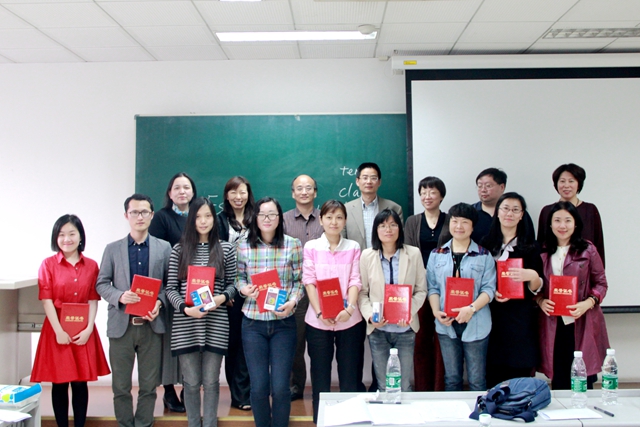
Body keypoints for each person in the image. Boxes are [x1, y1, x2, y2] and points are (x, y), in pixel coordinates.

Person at [96, 194, 172, 427]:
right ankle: (125, 424)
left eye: (144, 212)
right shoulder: (113, 249)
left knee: (149, 386)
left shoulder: (164, 248)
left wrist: (159, 303)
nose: (140, 217)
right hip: (122, 326)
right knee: (121, 386)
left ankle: (143, 423)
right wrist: (119, 296)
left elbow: (170, 286)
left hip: (151, 326)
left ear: (152, 215)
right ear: (126, 215)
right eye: (134, 212)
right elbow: (101, 283)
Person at [31, 214, 110, 427]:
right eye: (61, 234)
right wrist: (58, 331)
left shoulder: (91, 265)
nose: (67, 239)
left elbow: (93, 299)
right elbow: (46, 300)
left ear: (80, 236)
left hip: (83, 329)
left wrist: (88, 328)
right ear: (55, 238)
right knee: (59, 382)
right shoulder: (48, 265)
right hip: (56, 329)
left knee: (80, 382)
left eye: (72, 234)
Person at [165, 197, 237, 427]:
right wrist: (186, 310)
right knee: (191, 382)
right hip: (186, 324)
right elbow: (170, 289)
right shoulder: (179, 250)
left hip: (216, 322)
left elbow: (233, 285)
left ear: (214, 219)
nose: (203, 221)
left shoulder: (225, 249)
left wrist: (221, 299)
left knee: (212, 381)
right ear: (191, 220)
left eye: (208, 216)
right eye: (198, 217)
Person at [236, 197, 304, 427]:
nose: (267, 219)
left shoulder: (293, 244)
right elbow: (238, 278)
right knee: (258, 386)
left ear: (279, 218)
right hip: (253, 324)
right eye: (262, 214)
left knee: (281, 386)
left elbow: (299, 281)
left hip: (283, 324)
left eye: (272, 214)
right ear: (255, 218)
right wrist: (244, 289)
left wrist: (292, 302)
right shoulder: (243, 245)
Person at [303, 200, 365, 423]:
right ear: (320, 220)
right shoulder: (311, 247)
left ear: (345, 221)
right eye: (329, 217)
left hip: (349, 319)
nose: (334, 222)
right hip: (318, 321)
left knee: (350, 375)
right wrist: (320, 312)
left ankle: (350, 420)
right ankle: (321, 419)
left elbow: (355, 280)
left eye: (339, 217)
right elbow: (309, 281)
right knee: (320, 375)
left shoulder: (353, 247)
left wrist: (350, 308)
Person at [536, 201, 609, 390]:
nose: (562, 225)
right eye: (557, 220)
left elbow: (601, 283)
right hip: (553, 323)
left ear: (575, 223)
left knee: (583, 377)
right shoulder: (542, 251)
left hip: (582, 320)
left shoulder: (588, 249)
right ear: (550, 224)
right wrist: (540, 300)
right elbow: (535, 287)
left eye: (567, 220)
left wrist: (588, 303)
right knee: (559, 377)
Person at [427, 203, 496, 391]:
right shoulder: (437, 254)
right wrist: (436, 311)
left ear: (472, 227)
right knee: (451, 378)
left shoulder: (484, 255)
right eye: (455, 221)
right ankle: (454, 410)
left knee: (477, 380)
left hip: (476, 323)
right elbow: (432, 288)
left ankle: (479, 408)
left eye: (465, 222)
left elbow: (489, 289)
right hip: (446, 324)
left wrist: (471, 309)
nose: (459, 226)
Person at [358, 209, 427, 392]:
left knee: (403, 385)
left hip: (405, 329)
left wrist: (408, 311)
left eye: (392, 225)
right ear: (376, 230)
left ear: (399, 228)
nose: (388, 229)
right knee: (384, 384)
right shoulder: (367, 256)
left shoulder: (413, 254)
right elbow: (362, 293)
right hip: (378, 330)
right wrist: (371, 316)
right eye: (382, 225)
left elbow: (421, 290)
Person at [480, 193, 544, 388]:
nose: (510, 213)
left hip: (520, 317)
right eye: (505, 208)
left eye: (515, 210)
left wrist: (532, 276)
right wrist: (491, 291)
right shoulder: (485, 244)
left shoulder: (531, 246)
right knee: (493, 374)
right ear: (497, 212)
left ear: (522, 215)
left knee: (519, 375)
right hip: (491, 315)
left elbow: (537, 288)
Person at [149, 172, 197, 413]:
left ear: (193, 191)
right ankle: (168, 391)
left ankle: (189, 390)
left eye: (186, 187)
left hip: (197, 290)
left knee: (193, 343)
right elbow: (156, 255)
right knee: (170, 344)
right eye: (177, 187)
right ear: (169, 193)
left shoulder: (200, 217)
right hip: (170, 290)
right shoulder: (161, 217)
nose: (182, 191)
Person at [283, 174, 324, 402]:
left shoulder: (326, 218)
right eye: (299, 188)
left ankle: (321, 387)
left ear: (315, 192)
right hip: (295, 291)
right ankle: (295, 386)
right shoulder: (283, 220)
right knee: (295, 342)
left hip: (322, 289)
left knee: (320, 344)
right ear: (293, 193)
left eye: (309, 188)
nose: (304, 192)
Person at [404, 176, 447, 391]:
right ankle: (422, 388)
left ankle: (439, 389)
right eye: (423, 192)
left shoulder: (451, 220)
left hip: (445, 289)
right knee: (420, 339)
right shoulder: (412, 221)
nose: (427, 196)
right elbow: (409, 253)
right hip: (419, 287)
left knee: (442, 340)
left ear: (441, 196)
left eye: (432, 192)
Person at [217, 176, 255, 411]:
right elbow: (215, 256)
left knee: (252, 342)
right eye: (233, 192)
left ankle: (250, 391)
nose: (238, 197)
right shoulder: (219, 220)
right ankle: (238, 394)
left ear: (248, 194)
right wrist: (226, 291)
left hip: (255, 288)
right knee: (234, 343)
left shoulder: (257, 217)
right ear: (227, 195)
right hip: (231, 291)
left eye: (242, 192)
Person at [537, 163, 605, 266]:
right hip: (553, 269)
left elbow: (598, 244)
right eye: (562, 181)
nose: (566, 185)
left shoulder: (590, 210)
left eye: (571, 181)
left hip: (584, 270)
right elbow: (541, 245)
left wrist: (599, 271)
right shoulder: (547, 211)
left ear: (579, 184)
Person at [343, 162, 404, 250]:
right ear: (357, 181)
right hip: (356, 257)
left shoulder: (394, 208)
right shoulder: (346, 209)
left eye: (373, 178)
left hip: (386, 257)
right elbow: (341, 241)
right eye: (365, 178)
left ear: (379, 182)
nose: (369, 181)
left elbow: (400, 239)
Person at [469, 168, 536, 244]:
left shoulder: (517, 213)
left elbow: (529, 241)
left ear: (502, 187)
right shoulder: (469, 212)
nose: (483, 190)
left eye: (488, 186)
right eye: (480, 186)